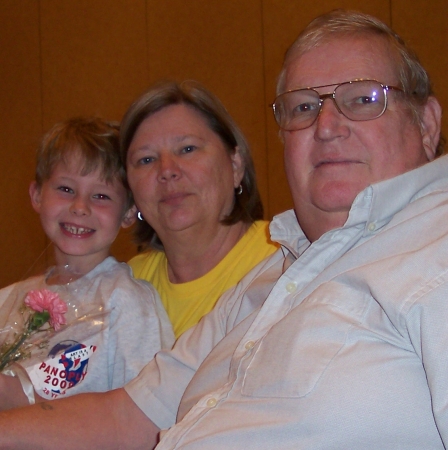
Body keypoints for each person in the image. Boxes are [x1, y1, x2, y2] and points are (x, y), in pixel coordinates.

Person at [0, 9, 447, 449]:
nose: (327, 125)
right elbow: (128, 416)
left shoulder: (433, 246)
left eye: (362, 99)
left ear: (426, 125)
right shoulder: (273, 279)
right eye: (304, 107)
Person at [0, 117, 174, 410]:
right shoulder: (7, 301)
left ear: (130, 212)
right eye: (66, 189)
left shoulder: (127, 302)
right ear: (36, 195)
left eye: (101, 196)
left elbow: (147, 414)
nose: (80, 207)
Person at [121, 80, 278, 338]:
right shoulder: (126, 286)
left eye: (187, 149)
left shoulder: (285, 260)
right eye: (146, 159)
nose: (167, 170)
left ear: (235, 165)